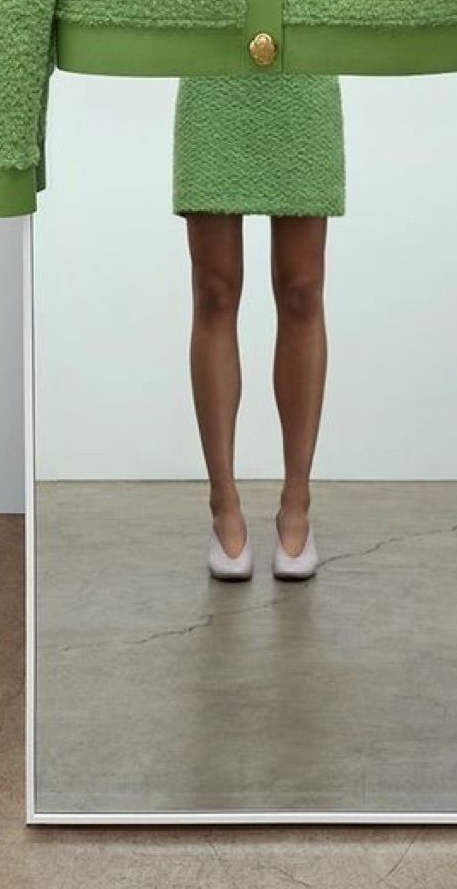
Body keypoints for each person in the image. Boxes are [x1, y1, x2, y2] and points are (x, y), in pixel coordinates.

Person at [172, 74, 345, 582]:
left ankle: (297, 501)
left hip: (304, 72)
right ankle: (222, 502)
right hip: (212, 75)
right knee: (214, 290)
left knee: (302, 289)